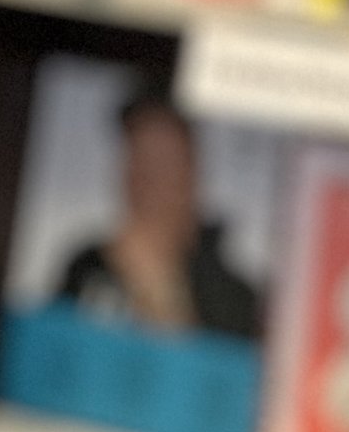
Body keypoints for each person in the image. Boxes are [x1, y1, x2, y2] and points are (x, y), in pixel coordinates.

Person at [55, 87, 263, 340]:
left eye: (162, 163)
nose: (145, 181)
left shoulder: (234, 295)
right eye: (137, 158)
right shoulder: (86, 265)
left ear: (191, 177)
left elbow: (218, 376)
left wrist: (159, 292)